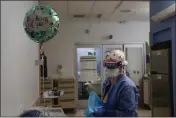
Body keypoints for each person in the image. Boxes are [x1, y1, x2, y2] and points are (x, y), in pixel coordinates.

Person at [92, 50, 139, 117]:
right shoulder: (107, 82)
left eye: (112, 67)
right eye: (107, 66)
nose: (108, 69)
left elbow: (128, 114)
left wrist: (105, 113)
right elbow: (106, 101)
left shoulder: (127, 87)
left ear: (121, 67)